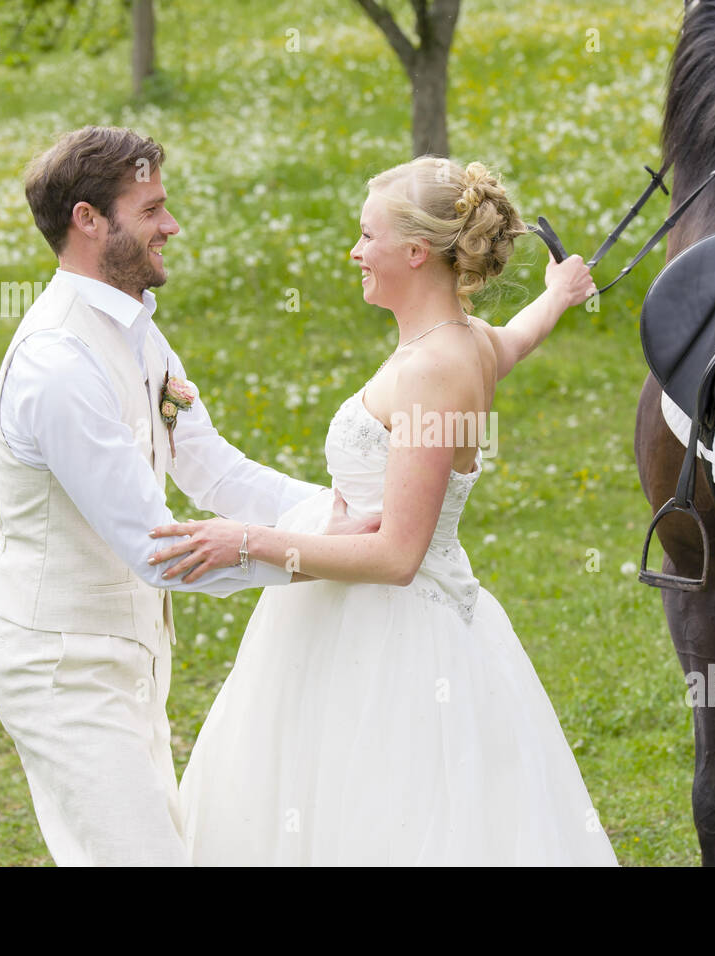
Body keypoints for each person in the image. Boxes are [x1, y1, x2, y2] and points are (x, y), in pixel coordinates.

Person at [149, 156, 618, 865]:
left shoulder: (433, 373)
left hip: (390, 635)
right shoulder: (470, 344)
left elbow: (399, 556)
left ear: (415, 251)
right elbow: (517, 338)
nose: (355, 252)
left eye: (367, 237)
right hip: (358, 615)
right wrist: (558, 293)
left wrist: (247, 541)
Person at [0, 126, 374, 866]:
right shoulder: (58, 363)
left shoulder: (138, 333)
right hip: (62, 666)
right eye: (152, 209)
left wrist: (334, 512)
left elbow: (211, 467)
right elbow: (161, 553)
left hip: (131, 657)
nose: (172, 226)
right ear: (89, 220)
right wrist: (326, 556)